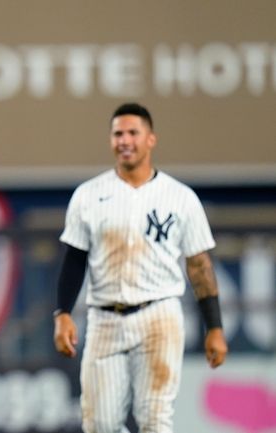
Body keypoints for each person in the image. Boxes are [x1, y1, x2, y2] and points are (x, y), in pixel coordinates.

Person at [52, 102, 229, 433]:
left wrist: (214, 327)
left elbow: (199, 265)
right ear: (110, 140)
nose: (125, 140)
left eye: (133, 132)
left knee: (154, 419)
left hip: (158, 316)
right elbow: (74, 259)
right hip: (104, 318)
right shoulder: (89, 194)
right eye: (118, 133)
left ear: (151, 139)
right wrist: (62, 313)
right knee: (99, 425)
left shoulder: (180, 197)